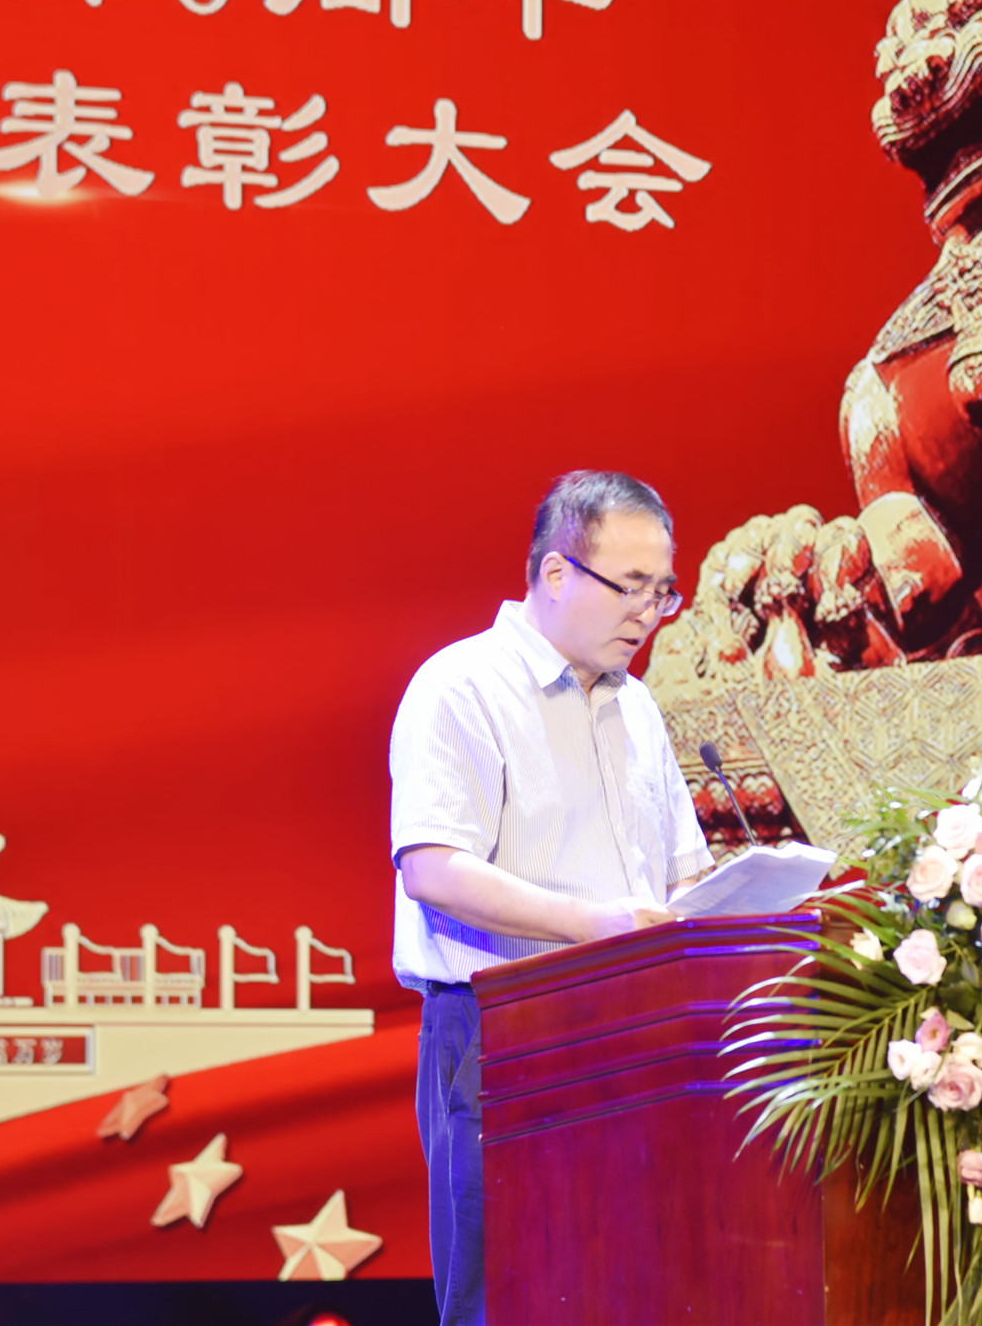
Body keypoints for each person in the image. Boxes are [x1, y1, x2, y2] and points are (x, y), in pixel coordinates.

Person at [389, 470, 712, 1326]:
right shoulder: (461, 686)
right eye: (631, 586)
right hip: (503, 1034)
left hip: (641, 1033)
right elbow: (432, 868)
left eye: (663, 591)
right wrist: (595, 925)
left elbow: (679, 872)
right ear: (557, 572)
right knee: (510, 1296)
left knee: (635, 1290)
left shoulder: (638, 708)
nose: (649, 613)